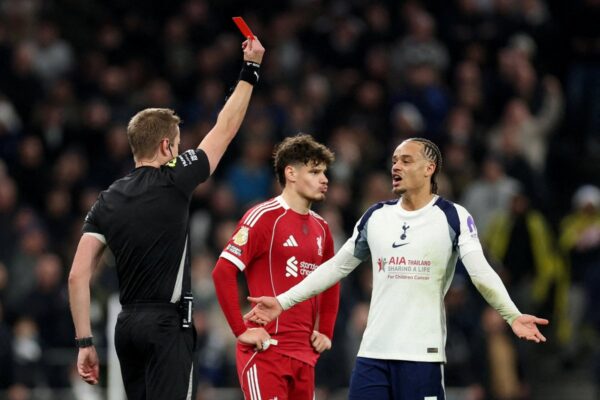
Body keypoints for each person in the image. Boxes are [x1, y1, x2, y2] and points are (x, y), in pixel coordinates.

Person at [245, 137, 548, 400]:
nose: (396, 167)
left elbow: (480, 272)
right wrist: (282, 301)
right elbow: (336, 267)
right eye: (394, 161)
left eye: (406, 160)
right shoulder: (376, 216)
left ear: (429, 168)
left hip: (422, 356)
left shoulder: (453, 216)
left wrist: (512, 314)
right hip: (373, 355)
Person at [68, 37, 265, 400]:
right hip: (167, 326)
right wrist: (250, 69)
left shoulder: (107, 200)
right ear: (166, 147)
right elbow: (225, 128)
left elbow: (78, 275)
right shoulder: (174, 178)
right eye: (177, 143)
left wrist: (84, 343)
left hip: (126, 327)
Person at [212, 134, 340, 400]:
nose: (324, 179)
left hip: (304, 356)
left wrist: (326, 330)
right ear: (290, 173)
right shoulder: (264, 217)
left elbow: (331, 280)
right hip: (266, 351)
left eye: (324, 172)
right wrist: (241, 331)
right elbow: (222, 271)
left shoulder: (322, 228)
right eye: (315, 171)